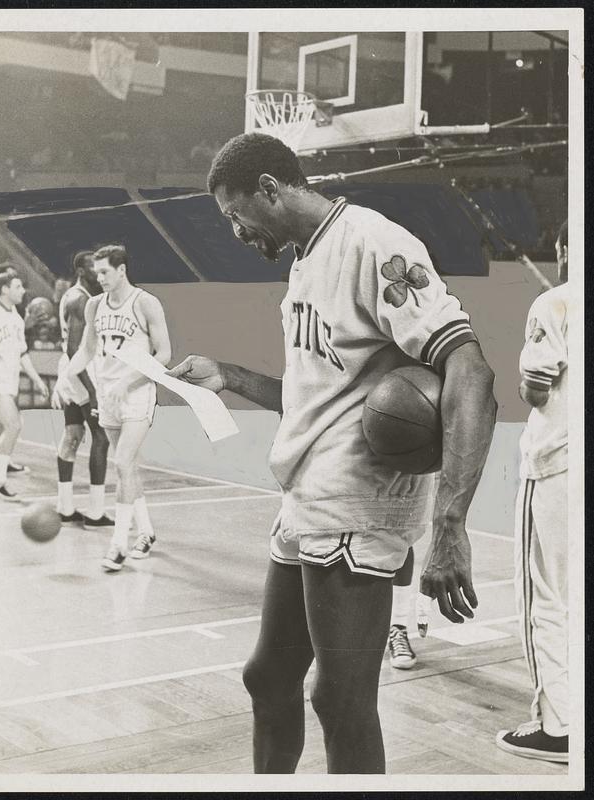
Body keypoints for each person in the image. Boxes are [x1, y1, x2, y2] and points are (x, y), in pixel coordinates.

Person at [168, 133, 497, 774]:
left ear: (270, 188)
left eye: (236, 215)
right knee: (268, 678)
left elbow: (472, 371)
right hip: (308, 495)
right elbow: (318, 397)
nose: (235, 231)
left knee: (342, 701)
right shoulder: (304, 264)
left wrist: (450, 524)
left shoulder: (374, 243)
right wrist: (231, 376)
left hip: (358, 501)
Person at [495, 220, 569, 763]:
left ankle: (559, 726)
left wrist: (526, 375)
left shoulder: (554, 304)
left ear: (564, 247)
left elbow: (535, 389)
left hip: (558, 468)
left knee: (546, 597)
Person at [54, 245, 172, 571]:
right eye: (97, 273)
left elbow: (163, 354)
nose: (99, 278)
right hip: (108, 396)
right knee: (127, 467)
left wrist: (128, 382)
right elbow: (87, 349)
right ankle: (146, 532)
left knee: (121, 461)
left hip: (137, 393)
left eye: (105, 272)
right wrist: (65, 376)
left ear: (122, 270)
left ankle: (118, 544)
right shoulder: (94, 306)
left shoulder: (145, 303)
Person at [52, 251, 113, 528]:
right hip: (80, 373)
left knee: (73, 433)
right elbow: (75, 348)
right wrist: (93, 389)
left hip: (70, 371)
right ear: (80, 270)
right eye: (93, 268)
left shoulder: (71, 295)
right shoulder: (80, 300)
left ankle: (65, 507)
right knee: (101, 437)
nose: (98, 273)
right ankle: (96, 513)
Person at [0, 272, 49, 500]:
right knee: (14, 425)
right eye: (17, 286)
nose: (23, 291)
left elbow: (22, 353)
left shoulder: (16, 318)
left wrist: (36, 380)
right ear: (4, 289)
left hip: (9, 382)